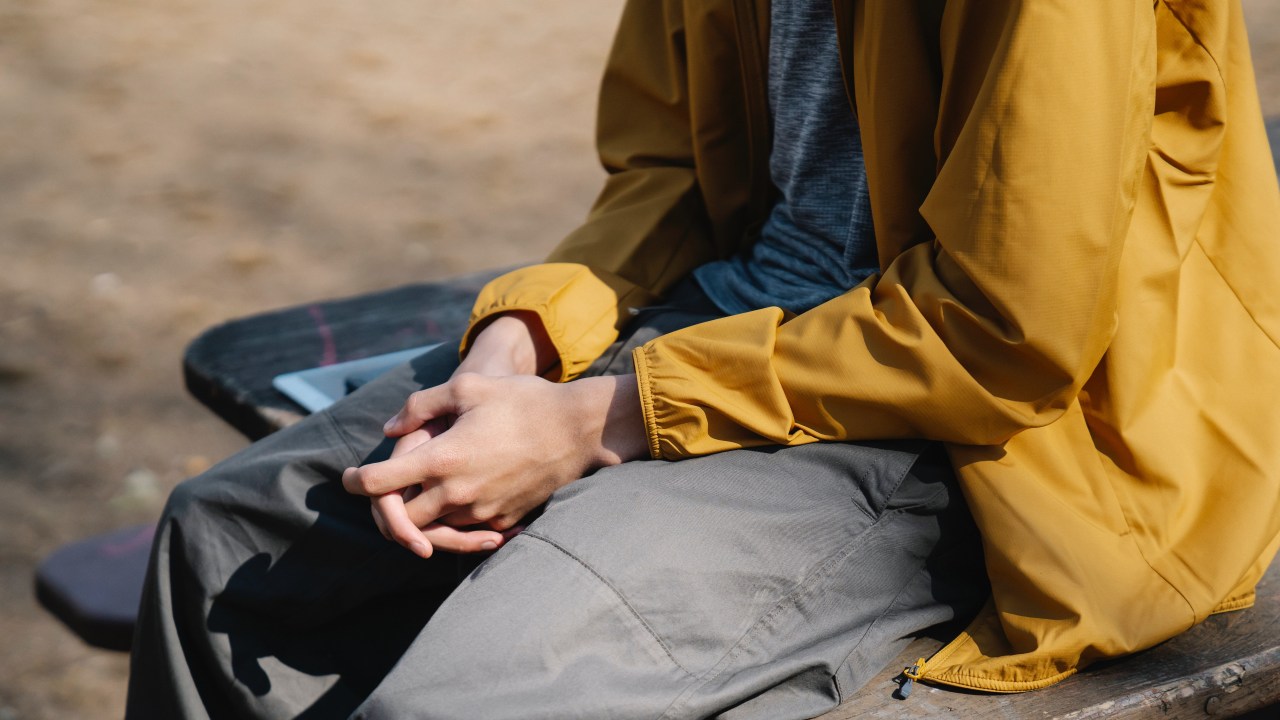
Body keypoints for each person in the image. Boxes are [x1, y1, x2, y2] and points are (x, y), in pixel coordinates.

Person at [126, 1, 1280, 718]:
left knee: (466, 699)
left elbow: (1006, 329)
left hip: (983, 433)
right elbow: (667, 166)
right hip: (712, 326)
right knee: (219, 537)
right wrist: (517, 346)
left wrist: (597, 421)